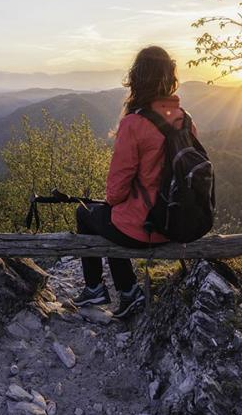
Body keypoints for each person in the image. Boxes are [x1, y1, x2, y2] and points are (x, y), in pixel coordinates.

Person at [71, 45, 196, 318]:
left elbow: (116, 192)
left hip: (148, 228)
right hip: (179, 222)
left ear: (137, 78)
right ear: (169, 77)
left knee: (87, 212)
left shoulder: (134, 123)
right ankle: (127, 292)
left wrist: (116, 202)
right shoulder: (185, 119)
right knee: (114, 216)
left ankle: (99, 288)